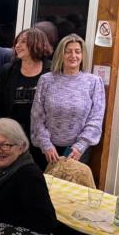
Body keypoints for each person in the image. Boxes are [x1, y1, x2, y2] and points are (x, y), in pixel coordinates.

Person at [31, 34, 105, 165]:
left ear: (83, 55)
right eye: (68, 51)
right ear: (61, 54)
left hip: (77, 152)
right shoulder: (46, 80)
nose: (73, 56)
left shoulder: (93, 82)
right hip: (48, 151)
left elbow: (96, 118)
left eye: (77, 52)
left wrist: (80, 146)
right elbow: (37, 116)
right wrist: (46, 145)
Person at [0, 28, 53, 167]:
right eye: (17, 41)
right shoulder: (9, 69)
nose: (17, 45)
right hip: (13, 136)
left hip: (42, 137)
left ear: (37, 44)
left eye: (23, 41)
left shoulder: (52, 70)